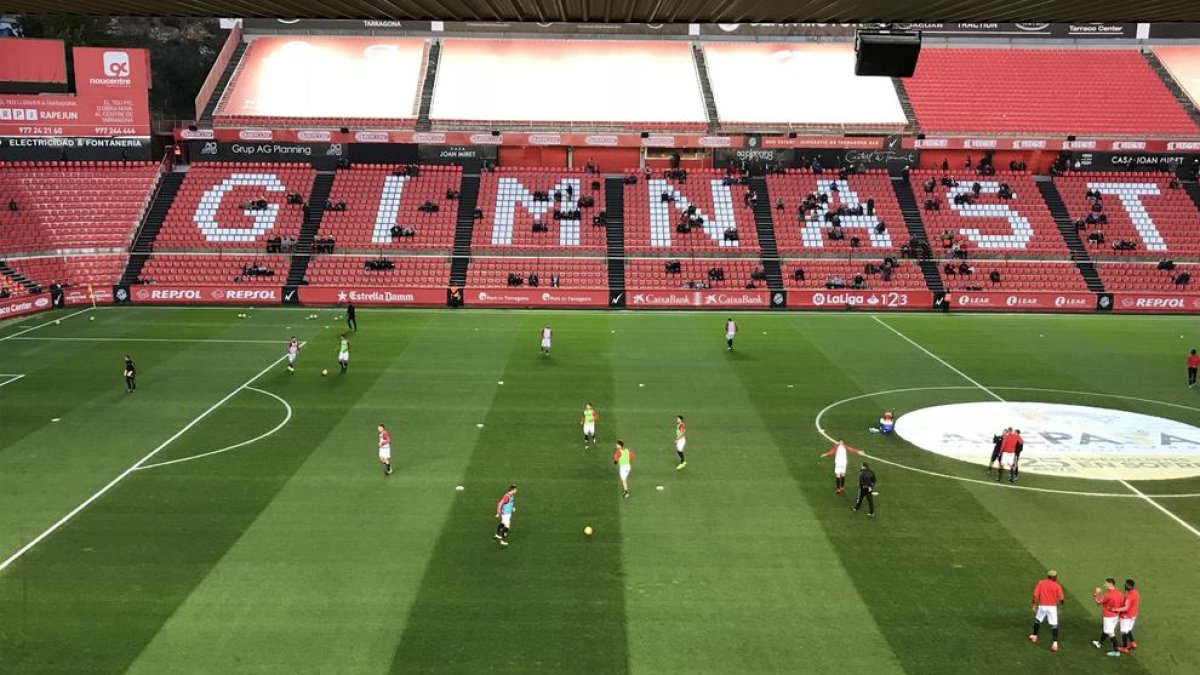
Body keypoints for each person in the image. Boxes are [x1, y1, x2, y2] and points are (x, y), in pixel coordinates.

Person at [1029, 569, 1065, 652]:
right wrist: (1062, 603)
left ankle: (1034, 636)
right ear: (1054, 577)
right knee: (1054, 625)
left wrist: (1034, 604)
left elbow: (1035, 595)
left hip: (1042, 606)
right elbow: (1062, 598)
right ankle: (1055, 644)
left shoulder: (1041, 583)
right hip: (1052, 607)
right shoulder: (1057, 585)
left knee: (1037, 620)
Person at [1093, 579, 1124, 657]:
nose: (1104, 585)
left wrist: (1096, 593)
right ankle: (1099, 643)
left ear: (1110, 584)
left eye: (1106, 583)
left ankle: (1116, 651)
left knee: (1110, 633)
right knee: (1106, 630)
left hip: (1108, 617)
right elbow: (1121, 605)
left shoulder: (1108, 595)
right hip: (1116, 616)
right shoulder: (1120, 593)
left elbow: (1098, 602)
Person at [1112, 579, 1140, 653]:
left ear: (1128, 585)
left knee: (1124, 631)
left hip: (1126, 617)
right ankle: (1132, 643)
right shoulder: (1136, 592)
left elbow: (1126, 607)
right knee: (1128, 629)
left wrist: (1115, 609)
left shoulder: (1129, 596)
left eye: (1125, 584)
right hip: (1133, 615)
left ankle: (1125, 648)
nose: (1124, 585)